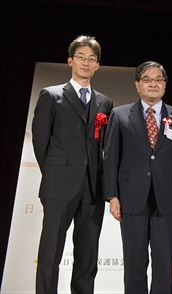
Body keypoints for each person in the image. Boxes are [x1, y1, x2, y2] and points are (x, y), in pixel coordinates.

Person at [103, 61, 172, 293]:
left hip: (168, 200)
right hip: (131, 198)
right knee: (134, 266)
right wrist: (112, 195)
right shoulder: (120, 115)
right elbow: (111, 158)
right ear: (137, 84)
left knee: (165, 266)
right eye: (147, 79)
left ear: (165, 85)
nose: (153, 83)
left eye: (159, 79)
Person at [32, 35, 113, 293]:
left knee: (87, 256)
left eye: (92, 59)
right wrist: (56, 174)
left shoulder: (105, 103)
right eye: (80, 57)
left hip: (92, 188)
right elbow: (41, 143)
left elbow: (105, 148)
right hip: (59, 188)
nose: (86, 63)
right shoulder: (51, 95)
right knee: (50, 253)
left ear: (98, 65)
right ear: (70, 61)